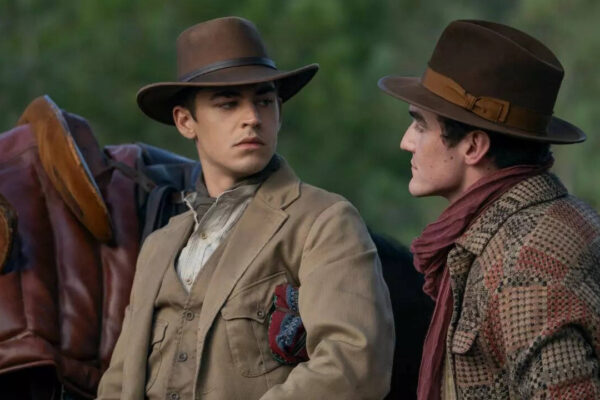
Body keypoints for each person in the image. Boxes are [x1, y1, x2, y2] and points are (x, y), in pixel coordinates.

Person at [96, 16, 394, 400]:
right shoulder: (159, 246)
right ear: (185, 121)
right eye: (228, 104)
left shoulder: (324, 221)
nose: (252, 118)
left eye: (264, 102)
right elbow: (118, 384)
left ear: (279, 113)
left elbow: (354, 365)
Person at [378, 20, 600, 399]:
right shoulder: (543, 220)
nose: (406, 142)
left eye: (420, 125)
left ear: (473, 147)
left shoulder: (524, 267)